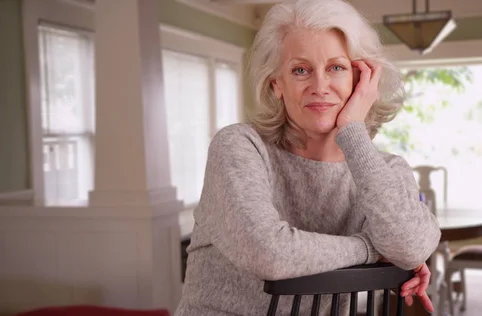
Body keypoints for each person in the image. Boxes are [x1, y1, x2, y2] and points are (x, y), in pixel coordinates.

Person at [174, 0, 441, 315]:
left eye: (336, 68)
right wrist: (370, 248)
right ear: (277, 84)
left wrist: (353, 132)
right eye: (301, 70)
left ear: (362, 80)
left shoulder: (387, 170)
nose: (319, 86)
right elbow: (268, 254)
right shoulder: (240, 147)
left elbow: (411, 248)